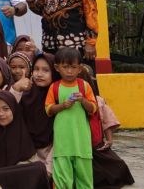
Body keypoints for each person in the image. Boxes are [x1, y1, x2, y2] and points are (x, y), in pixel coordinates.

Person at [0, 90, 50, 189]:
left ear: (14, 109)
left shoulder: (22, 134)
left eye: (6, 109)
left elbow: (31, 172)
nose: (1, 114)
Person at [45, 47, 98, 189]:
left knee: (85, 179)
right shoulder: (54, 87)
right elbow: (49, 109)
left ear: (80, 68)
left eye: (73, 67)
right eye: (65, 67)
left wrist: (83, 101)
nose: (69, 71)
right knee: (62, 179)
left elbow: (93, 108)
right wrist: (63, 105)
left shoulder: (84, 86)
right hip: (62, 143)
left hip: (82, 142)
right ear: (57, 67)